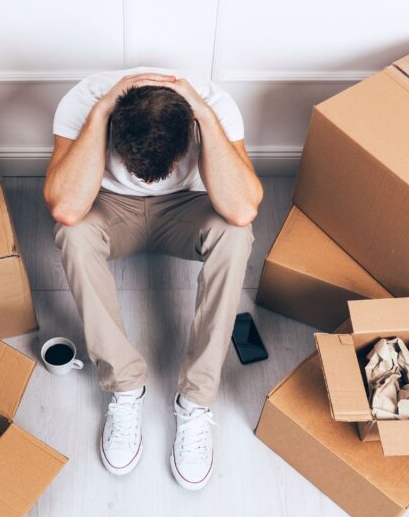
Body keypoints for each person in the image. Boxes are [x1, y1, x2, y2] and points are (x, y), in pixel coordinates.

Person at [45, 68, 262, 490]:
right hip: (112, 209)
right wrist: (101, 111)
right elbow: (66, 207)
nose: (147, 181)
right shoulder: (84, 102)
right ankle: (125, 387)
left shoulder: (214, 105)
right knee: (73, 232)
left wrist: (204, 116)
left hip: (186, 208)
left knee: (236, 234)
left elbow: (242, 209)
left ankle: (196, 400)